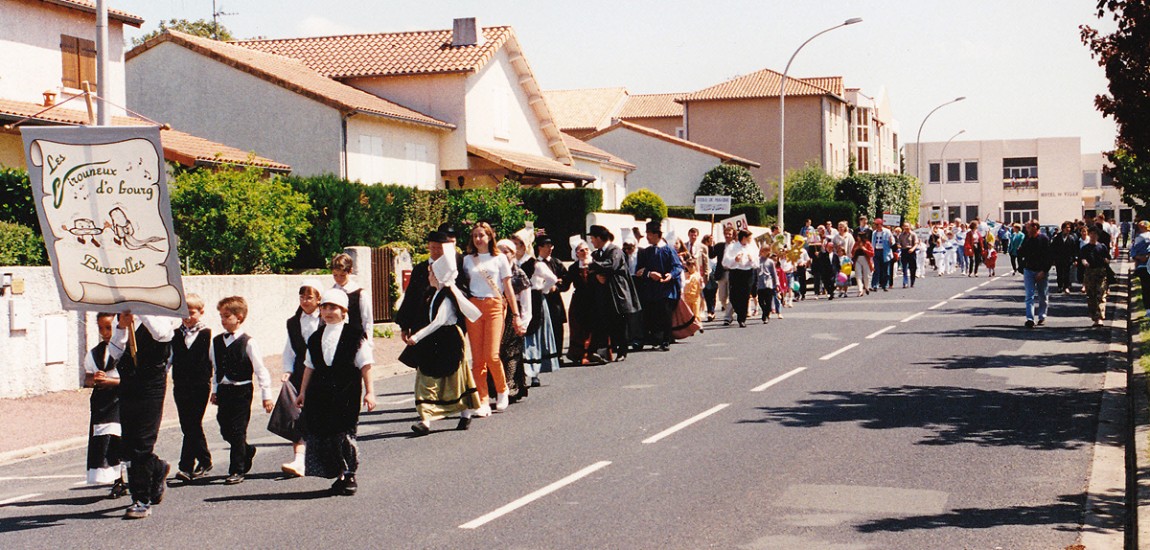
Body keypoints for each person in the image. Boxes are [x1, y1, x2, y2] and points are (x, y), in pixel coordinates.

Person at [294, 288, 376, 496]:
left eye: (334, 308)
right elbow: (309, 366)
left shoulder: (355, 335)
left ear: (344, 311)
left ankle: (349, 474)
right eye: (325, 307)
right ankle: (338, 473)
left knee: (343, 433)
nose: (329, 312)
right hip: (320, 393)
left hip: (345, 392)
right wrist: (302, 392)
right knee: (324, 434)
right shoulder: (315, 337)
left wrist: (370, 392)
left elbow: (365, 364)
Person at [109, 312, 181, 519]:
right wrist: (122, 328)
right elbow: (115, 354)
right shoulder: (122, 316)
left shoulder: (160, 313)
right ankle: (157, 467)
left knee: (142, 442)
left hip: (151, 383)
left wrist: (141, 311)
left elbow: (162, 335)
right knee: (130, 443)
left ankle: (140, 499)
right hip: (128, 383)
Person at [403, 246, 483, 434]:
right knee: (426, 376)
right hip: (433, 341)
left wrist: (417, 336)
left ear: (439, 276)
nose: (428, 276)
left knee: (456, 380)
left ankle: (465, 414)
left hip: (449, 340)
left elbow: (438, 321)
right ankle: (426, 420)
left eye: (431, 273)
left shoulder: (448, 297)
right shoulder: (431, 294)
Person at [209, 296, 274, 485]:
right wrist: (215, 389)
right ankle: (246, 450)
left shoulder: (248, 342)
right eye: (221, 316)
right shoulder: (217, 341)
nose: (223, 320)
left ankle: (236, 469)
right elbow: (216, 368)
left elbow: (260, 369)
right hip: (224, 390)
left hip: (242, 390)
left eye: (226, 316)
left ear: (239, 317)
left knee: (238, 430)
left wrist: (266, 395)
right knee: (224, 428)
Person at [463, 223, 523, 415]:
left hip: (494, 304)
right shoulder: (467, 260)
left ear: (490, 237)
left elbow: (508, 288)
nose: (478, 239)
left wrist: (516, 315)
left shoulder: (500, 259)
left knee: (492, 355)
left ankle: (502, 389)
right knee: (478, 359)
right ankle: (482, 400)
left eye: (481, 235)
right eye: (475, 236)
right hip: (473, 307)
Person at [279, 280, 324, 477]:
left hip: (322, 371)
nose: (305, 301)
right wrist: (287, 369)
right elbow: (289, 349)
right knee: (298, 415)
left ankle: (319, 458)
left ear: (319, 299)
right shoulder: (293, 322)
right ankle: (299, 460)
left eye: (309, 297)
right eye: (302, 297)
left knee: (318, 415)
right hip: (300, 371)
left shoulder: (326, 319)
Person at [170, 294, 213, 483]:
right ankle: (203, 460)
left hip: (200, 384)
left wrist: (217, 387)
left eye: (192, 312)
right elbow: (169, 359)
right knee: (187, 424)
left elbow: (214, 361)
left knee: (193, 422)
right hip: (180, 384)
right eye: (184, 313)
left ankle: (187, 466)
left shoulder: (207, 334)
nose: (187, 317)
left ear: (201, 312)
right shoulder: (175, 334)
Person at [83, 312, 127, 498]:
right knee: (106, 441)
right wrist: (95, 379)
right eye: (101, 328)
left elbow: (132, 379)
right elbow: (87, 378)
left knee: (120, 439)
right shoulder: (94, 353)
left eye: (108, 327)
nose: (105, 332)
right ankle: (118, 480)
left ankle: (130, 476)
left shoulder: (126, 349)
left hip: (122, 398)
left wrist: (111, 382)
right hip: (103, 401)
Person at [588, 225, 641, 361]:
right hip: (603, 294)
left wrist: (594, 266)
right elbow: (591, 272)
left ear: (600, 238)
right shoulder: (596, 254)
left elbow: (611, 265)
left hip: (617, 292)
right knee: (603, 322)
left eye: (593, 238)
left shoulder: (615, 251)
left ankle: (622, 351)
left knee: (619, 322)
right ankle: (603, 350)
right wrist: (596, 275)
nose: (592, 241)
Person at [635, 220, 683, 351]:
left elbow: (678, 266)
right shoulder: (646, 252)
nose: (647, 237)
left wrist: (670, 275)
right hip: (651, 290)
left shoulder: (668, 250)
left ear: (657, 234)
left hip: (666, 289)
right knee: (652, 315)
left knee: (666, 315)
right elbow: (639, 270)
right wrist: (649, 274)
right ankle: (655, 338)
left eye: (649, 234)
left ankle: (666, 340)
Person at [562, 240, 602, 365]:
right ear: (576, 254)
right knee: (579, 328)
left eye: (586, 249)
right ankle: (579, 353)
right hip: (579, 300)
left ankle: (591, 353)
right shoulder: (574, 268)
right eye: (581, 250)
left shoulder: (595, 265)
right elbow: (566, 284)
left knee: (593, 326)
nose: (584, 252)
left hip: (594, 299)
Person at [533, 235, 569, 367]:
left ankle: (558, 355)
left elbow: (565, 279)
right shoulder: (535, 263)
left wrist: (557, 286)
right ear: (539, 248)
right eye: (546, 246)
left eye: (551, 246)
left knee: (557, 327)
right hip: (540, 300)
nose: (549, 249)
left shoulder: (556, 262)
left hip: (554, 300)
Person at [331, 253, 372, 341]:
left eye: (342, 275)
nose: (338, 279)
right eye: (335, 275)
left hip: (355, 339)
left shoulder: (360, 294)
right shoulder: (331, 293)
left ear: (350, 271)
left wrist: (368, 343)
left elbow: (367, 321)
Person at [1018, 220, 1053, 328]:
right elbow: (1022, 252)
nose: (1026, 230)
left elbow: (1049, 257)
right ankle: (1030, 319)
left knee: (1042, 295)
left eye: (1028, 228)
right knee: (1029, 295)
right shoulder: (1027, 239)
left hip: (1041, 271)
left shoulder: (1044, 239)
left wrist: (1044, 271)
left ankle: (1042, 316)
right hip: (1029, 270)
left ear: (1035, 228)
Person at [722, 229, 755, 327]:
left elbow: (756, 263)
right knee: (734, 296)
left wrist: (751, 260)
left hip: (748, 272)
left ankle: (742, 318)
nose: (750, 240)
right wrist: (734, 260)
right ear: (743, 238)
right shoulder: (732, 247)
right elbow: (725, 261)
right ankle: (738, 310)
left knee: (745, 296)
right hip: (736, 272)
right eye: (749, 238)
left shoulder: (752, 247)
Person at [1080, 226, 1111, 328]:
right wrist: (1084, 262)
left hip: (1101, 272)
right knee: (1091, 296)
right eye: (1091, 234)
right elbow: (1083, 258)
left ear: (1098, 236)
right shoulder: (1085, 248)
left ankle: (1100, 317)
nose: (1093, 236)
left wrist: (1106, 260)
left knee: (1101, 294)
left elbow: (1107, 259)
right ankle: (1094, 316)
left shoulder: (1102, 247)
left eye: (1095, 234)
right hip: (1090, 273)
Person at [709, 226, 735, 323]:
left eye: (730, 234)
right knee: (722, 297)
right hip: (722, 273)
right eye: (726, 234)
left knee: (732, 295)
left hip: (733, 273)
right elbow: (711, 255)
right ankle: (730, 310)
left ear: (733, 235)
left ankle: (728, 317)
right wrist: (710, 245)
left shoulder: (736, 246)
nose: (727, 236)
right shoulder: (720, 246)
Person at [1051, 222, 1079, 294]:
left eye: (1069, 228)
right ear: (1063, 228)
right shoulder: (1057, 238)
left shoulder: (1071, 238)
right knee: (1059, 273)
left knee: (1067, 273)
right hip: (1059, 258)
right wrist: (1053, 259)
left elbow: (1074, 249)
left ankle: (1066, 287)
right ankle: (1060, 286)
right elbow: (1053, 248)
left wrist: (1075, 259)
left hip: (1068, 258)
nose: (1068, 229)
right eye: (1067, 228)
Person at [755, 246, 779, 323]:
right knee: (761, 300)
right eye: (764, 251)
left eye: (767, 251)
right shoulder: (757, 261)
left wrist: (777, 283)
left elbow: (774, 273)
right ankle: (764, 311)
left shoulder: (770, 262)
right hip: (760, 283)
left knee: (768, 301)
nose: (765, 253)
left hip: (768, 283)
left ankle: (766, 315)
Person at [871, 219, 894, 291]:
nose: (876, 226)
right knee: (876, 269)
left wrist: (891, 242)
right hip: (876, 251)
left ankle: (885, 285)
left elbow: (892, 242)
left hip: (885, 252)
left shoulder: (887, 232)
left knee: (886, 270)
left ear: (881, 224)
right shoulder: (874, 233)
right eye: (875, 225)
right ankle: (875, 285)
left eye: (877, 224)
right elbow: (873, 243)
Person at [1131, 221, 1150, 309]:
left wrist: (1138, 257)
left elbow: (1133, 252)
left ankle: (1148, 309)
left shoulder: (1140, 238)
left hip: (1143, 266)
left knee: (1146, 288)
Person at [898, 222, 920, 288]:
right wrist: (898, 245)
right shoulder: (901, 235)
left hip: (911, 251)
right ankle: (905, 282)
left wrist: (913, 249)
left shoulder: (913, 234)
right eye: (905, 226)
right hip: (904, 251)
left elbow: (916, 243)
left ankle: (912, 282)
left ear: (910, 227)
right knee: (904, 268)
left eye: (907, 226)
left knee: (912, 268)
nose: (906, 228)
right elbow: (899, 243)